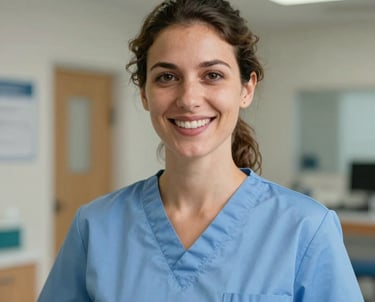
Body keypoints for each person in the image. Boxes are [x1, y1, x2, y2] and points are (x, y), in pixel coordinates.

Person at [38, 0, 364, 301]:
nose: (189, 98)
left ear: (246, 89)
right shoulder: (95, 227)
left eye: (212, 75)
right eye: (167, 76)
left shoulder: (304, 228)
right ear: (144, 93)